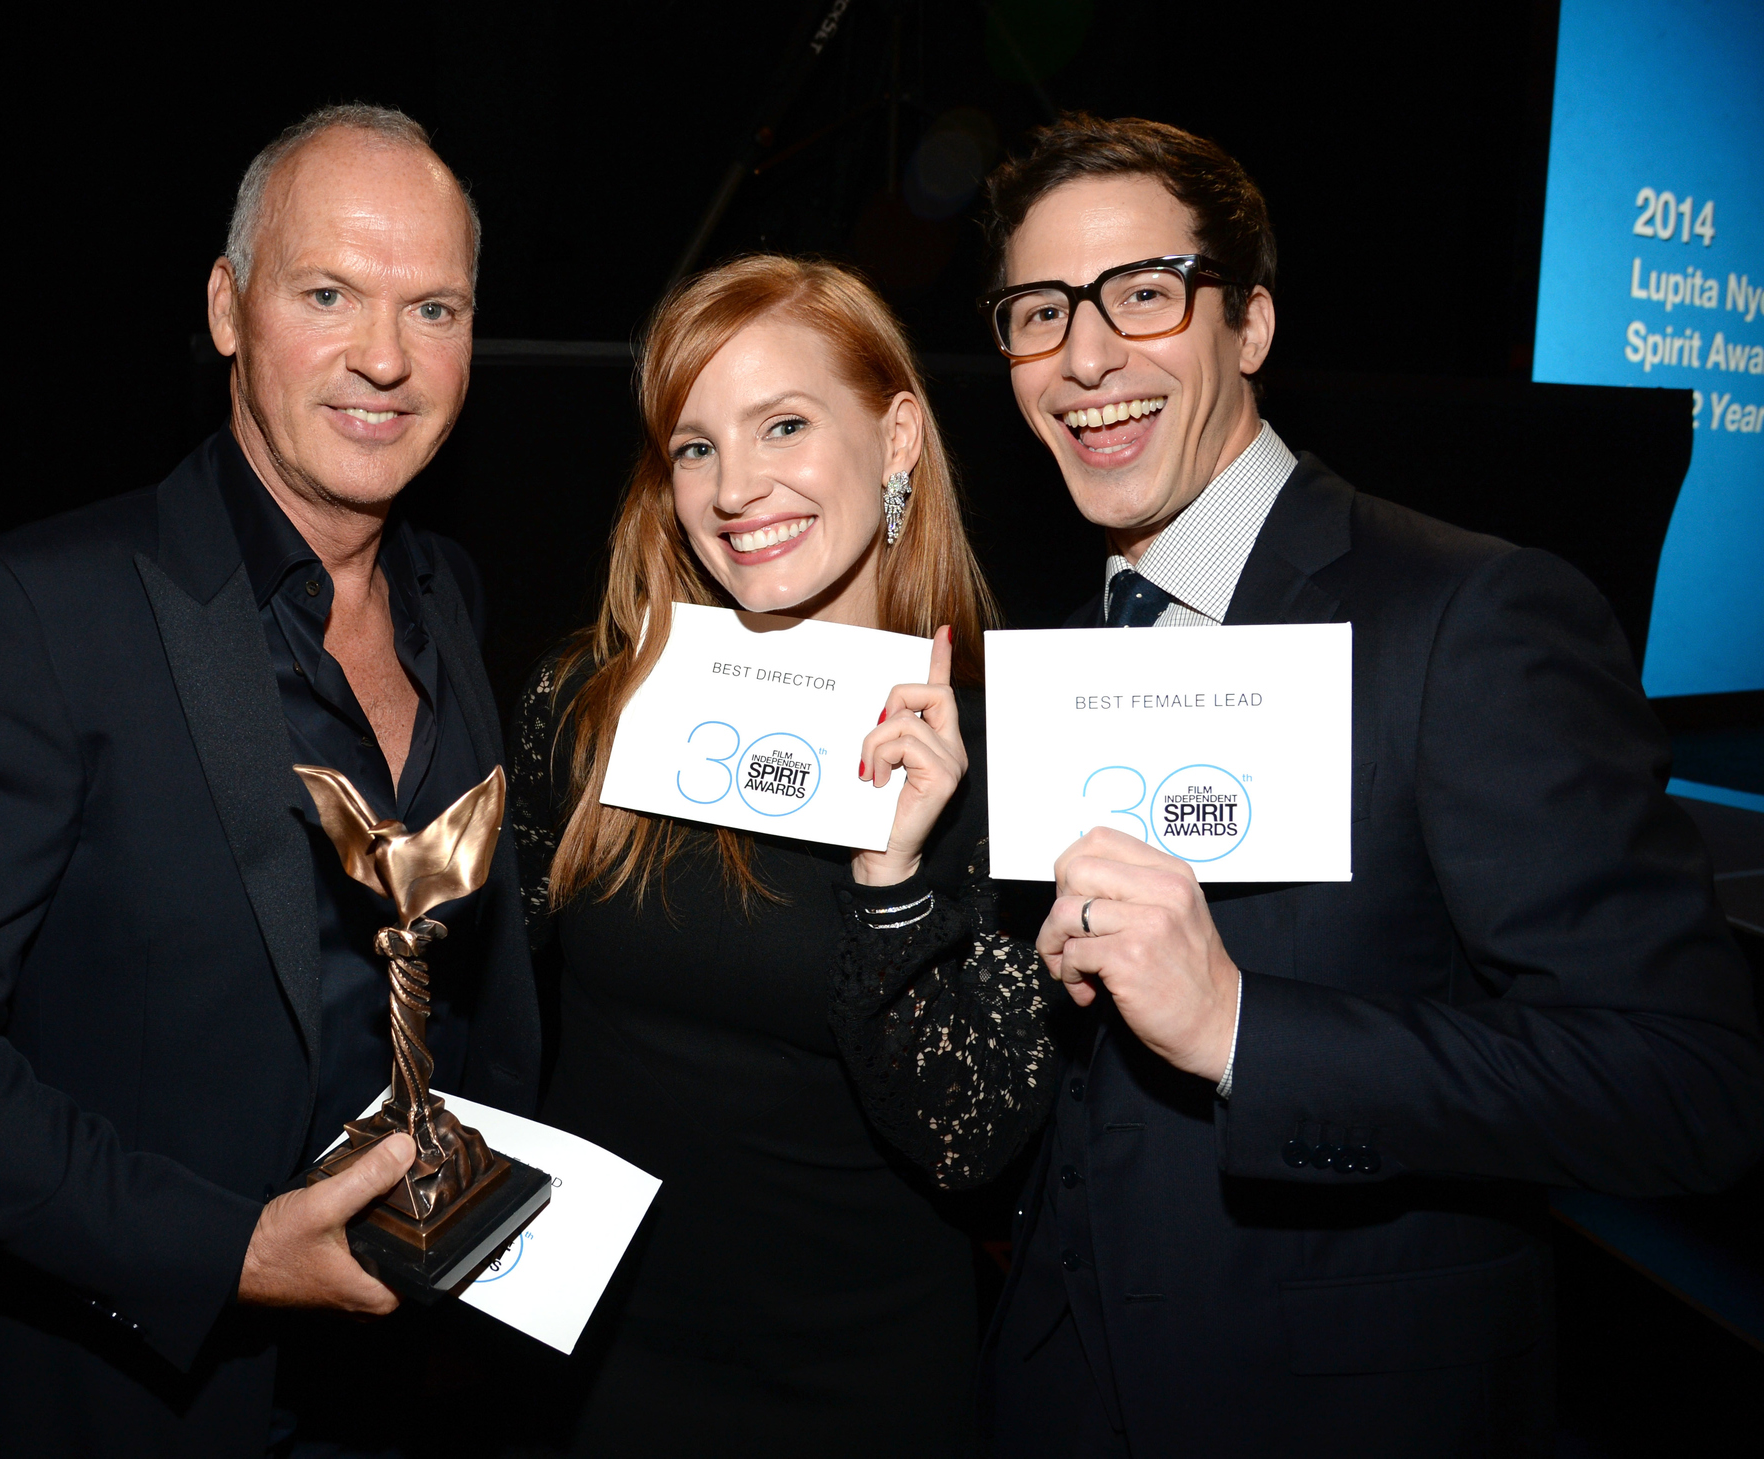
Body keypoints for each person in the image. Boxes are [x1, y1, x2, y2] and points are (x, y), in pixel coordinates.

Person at [934, 112, 1763, 1456]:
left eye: (1144, 293)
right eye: (1039, 311)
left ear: (1249, 323)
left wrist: (1243, 1026)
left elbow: (1689, 1086)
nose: (1086, 356)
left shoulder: (1472, 615)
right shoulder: (1067, 645)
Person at [0, 104, 540, 1457]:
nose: (386, 356)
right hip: (144, 1400)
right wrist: (228, 1249)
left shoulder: (450, 596)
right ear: (227, 306)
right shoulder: (38, 611)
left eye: (434, 307)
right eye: (330, 293)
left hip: (421, 1389)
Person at [507, 254, 1053, 1456]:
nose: (733, 487)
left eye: (784, 425)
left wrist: (893, 880)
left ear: (895, 434)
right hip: (588, 1363)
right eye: (693, 446)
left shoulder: (1013, 749)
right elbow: (491, 1001)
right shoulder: (589, 700)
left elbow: (970, 1142)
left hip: (855, 1390)